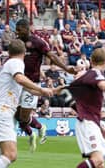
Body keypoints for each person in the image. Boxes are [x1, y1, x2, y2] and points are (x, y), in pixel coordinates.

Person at [0, 39, 53, 168]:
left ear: (9, 52)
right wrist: (41, 89)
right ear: (24, 52)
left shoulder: (9, 64)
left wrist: (46, 92)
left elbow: (28, 89)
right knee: (10, 155)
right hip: (3, 112)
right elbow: (20, 79)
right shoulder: (16, 63)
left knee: (3, 155)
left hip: (3, 112)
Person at [15, 19, 76, 147]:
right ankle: (32, 133)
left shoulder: (37, 42)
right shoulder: (17, 42)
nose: (17, 32)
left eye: (19, 30)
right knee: (16, 116)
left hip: (32, 83)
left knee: (24, 118)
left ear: (27, 29)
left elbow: (52, 56)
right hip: (17, 82)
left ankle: (40, 127)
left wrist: (66, 68)